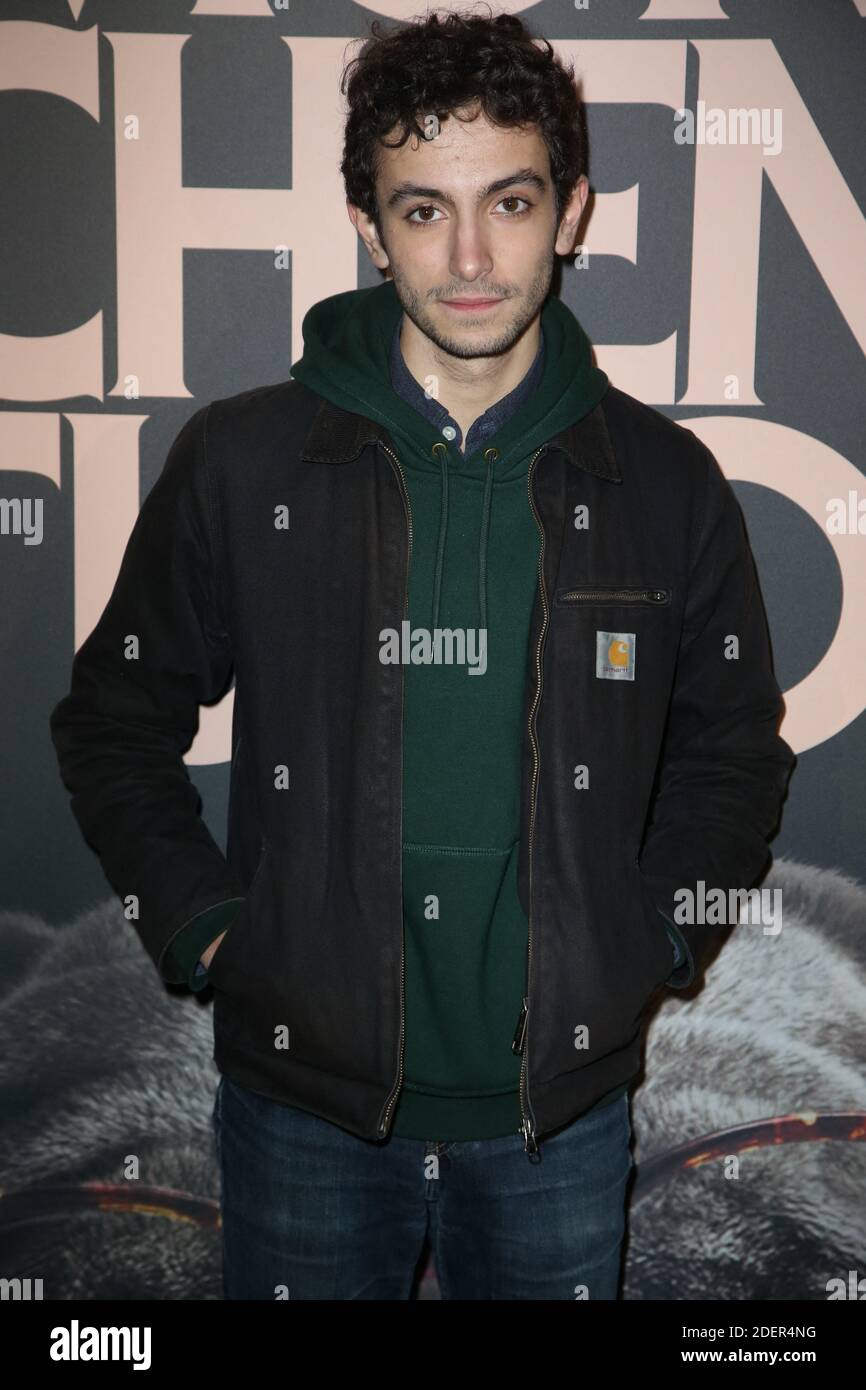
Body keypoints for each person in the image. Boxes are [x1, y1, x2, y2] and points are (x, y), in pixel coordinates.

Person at [49, 8, 795, 1300]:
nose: (465, 255)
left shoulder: (661, 482)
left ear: (568, 211)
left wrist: (656, 943)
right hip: (303, 1107)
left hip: (556, 1114)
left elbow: (733, 749)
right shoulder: (244, 460)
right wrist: (214, 929)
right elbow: (114, 716)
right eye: (418, 209)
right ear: (364, 220)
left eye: (506, 202)